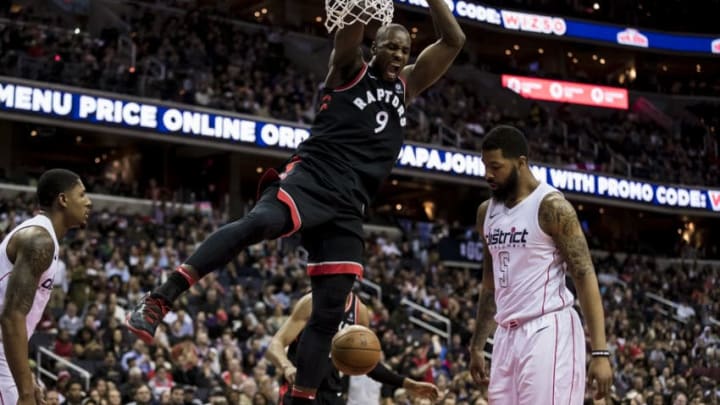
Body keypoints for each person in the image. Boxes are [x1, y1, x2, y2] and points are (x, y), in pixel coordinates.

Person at [127, 1, 464, 404]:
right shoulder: (348, 69)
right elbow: (351, 28)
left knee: (329, 309)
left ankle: (302, 399)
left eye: (404, 50)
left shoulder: (406, 86)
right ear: (374, 47)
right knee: (257, 224)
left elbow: (454, 40)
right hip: (314, 177)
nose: (398, 55)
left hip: (350, 203)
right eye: (391, 47)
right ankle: (160, 298)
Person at [467, 126, 613, 404]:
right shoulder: (486, 212)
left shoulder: (552, 207)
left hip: (547, 328)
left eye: (495, 167)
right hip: (505, 336)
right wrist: (478, 343)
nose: (488, 174)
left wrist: (600, 352)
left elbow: (584, 275)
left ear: (521, 163)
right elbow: (490, 283)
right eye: (485, 166)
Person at [0, 168, 92, 405]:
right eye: (82, 195)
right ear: (62, 199)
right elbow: (11, 316)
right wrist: (25, 392)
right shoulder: (39, 240)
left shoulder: (44, 237)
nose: (89, 202)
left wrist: (26, 378)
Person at [265, 291, 440, 404]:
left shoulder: (359, 311)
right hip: (299, 389)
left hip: (331, 393)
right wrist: (286, 366)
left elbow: (369, 365)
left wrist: (407, 383)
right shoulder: (311, 302)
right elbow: (274, 345)